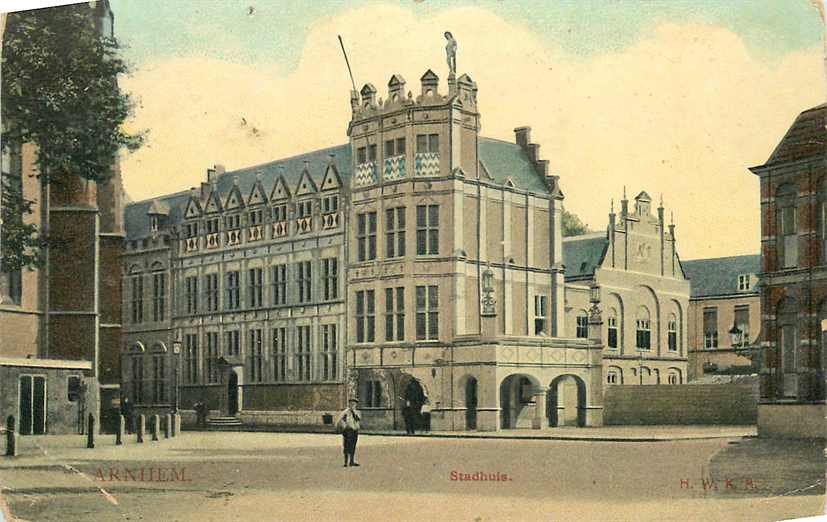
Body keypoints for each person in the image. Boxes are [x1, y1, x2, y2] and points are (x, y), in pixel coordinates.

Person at [336, 398, 361, 467]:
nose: (353, 405)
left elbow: (358, 419)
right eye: (351, 403)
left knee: (353, 445)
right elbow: (341, 420)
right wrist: (344, 426)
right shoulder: (345, 412)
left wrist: (353, 412)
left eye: (354, 404)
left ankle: (352, 461)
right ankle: (346, 462)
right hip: (348, 430)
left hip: (354, 430)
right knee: (346, 445)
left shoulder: (357, 412)